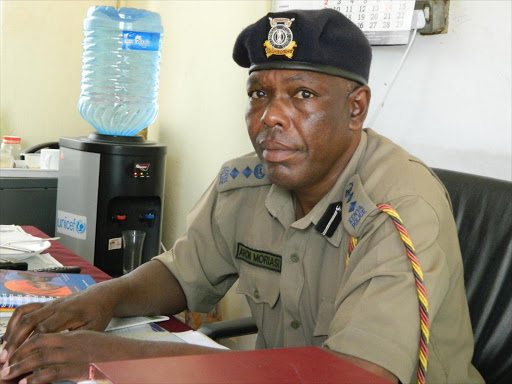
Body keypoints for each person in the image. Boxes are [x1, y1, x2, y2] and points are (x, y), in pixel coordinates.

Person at [0, 9, 483, 384]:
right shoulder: (248, 180)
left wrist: (110, 354)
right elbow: (182, 273)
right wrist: (103, 300)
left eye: (302, 95)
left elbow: (355, 374)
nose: (270, 116)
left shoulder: (397, 208)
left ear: (355, 109)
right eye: (258, 93)